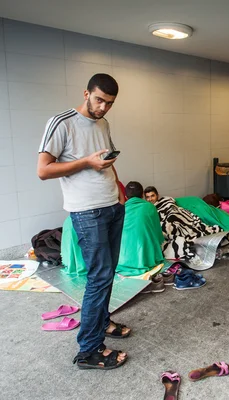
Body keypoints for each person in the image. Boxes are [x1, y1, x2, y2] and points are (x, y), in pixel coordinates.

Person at [37, 73, 128, 369]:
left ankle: (101, 321)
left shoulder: (104, 123)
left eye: (109, 103)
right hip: (87, 211)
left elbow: (107, 160)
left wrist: (119, 189)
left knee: (108, 272)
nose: (103, 108)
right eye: (99, 100)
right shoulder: (62, 122)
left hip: (112, 205)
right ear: (86, 93)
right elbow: (44, 170)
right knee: (98, 277)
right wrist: (86, 162)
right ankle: (89, 350)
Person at [62, 181, 165, 278]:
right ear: (142, 195)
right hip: (143, 257)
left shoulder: (119, 210)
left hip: (120, 260)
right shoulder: (149, 207)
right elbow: (157, 234)